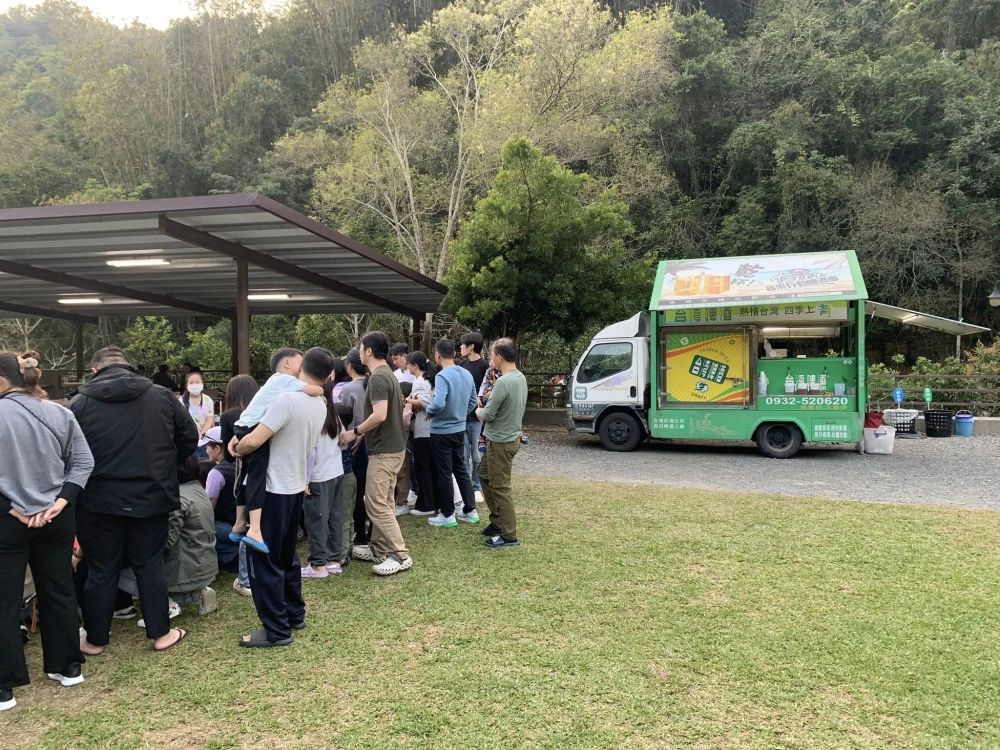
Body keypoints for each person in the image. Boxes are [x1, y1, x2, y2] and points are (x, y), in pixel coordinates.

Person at [70, 346, 195, 654]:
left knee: (101, 569)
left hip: (97, 500)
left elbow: (65, 453)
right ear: (131, 368)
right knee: (149, 564)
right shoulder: (161, 396)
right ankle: (161, 635)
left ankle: (95, 640)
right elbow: (189, 439)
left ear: (94, 371)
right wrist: (164, 463)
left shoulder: (78, 404)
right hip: (151, 496)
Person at [0, 352, 94, 712]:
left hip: (7, 521)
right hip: (57, 516)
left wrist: (13, 511)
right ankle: (68, 666)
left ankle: (5, 686)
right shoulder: (59, 412)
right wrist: (62, 501)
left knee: (4, 600)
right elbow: (84, 461)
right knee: (58, 589)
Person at [231, 347, 334, 647]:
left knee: (265, 561)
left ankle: (276, 630)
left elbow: (254, 440)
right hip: (294, 488)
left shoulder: (286, 400)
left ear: (301, 368)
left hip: (271, 491)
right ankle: (294, 614)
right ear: (327, 376)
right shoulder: (320, 404)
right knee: (287, 557)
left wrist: (237, 446)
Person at [229, 349, 323, 555]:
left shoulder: (276, 382)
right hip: (250, 429)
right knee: (257, 475)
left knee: (246, 476)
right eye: (300, 362)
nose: (302, 366)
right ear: (287, 364)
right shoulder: (284, 379)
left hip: (244, 425)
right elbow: (314, 389)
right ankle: (254, 529)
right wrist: (322, 394)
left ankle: (238, 524)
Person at [339, 332, 412, 576]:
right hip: (391, 447)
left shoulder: (379, 377)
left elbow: (380, 415)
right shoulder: (385, 374)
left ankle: (400, 555)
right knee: (384, 501)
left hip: (385, 450)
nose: (359, 351)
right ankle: (379, 548)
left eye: (360, 347)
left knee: (376, 503)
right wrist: (362, 436)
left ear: (368, 351)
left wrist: (354, 432)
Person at [413, 339, 478, 528]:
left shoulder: (442, 376)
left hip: (441, 431)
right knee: (461, 469)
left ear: (437, 355)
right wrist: (460, 415)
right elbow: (473, 401)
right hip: (460, 428)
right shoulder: (465, 373)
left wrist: (431, 411)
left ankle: (447, 514)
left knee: (444, 472)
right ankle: (469, 510)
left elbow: (439, 402)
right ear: (455, 354)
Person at [476, 339, 529, 548]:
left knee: (501, 488)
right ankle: (497, 522)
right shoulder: (519, 378)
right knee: (484, 475)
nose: (490, 359)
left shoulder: (503, 382)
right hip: (505, 439)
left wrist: (477, 411)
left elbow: (488, 413)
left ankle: (509, 535)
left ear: (499, 357)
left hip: (501, 442)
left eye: (491, 355)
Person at [301, 379, 348, 579]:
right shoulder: (334, 416)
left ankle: (318, 564)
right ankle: (333, 560)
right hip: (336, 472)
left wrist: (305, 480)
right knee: (334, 517)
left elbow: (310, 454)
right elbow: (344, 442)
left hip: (318, 476)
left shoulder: (314, 417)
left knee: (316, 519)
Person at [216, 375, 258, 596]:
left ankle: (245, 578)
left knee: (245, 526)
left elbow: (229, 456)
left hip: (244, 474)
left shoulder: (229, 416)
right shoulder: (263, 412)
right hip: (266, 473)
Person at [339, 348, 370, 552]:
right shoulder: (372, 384)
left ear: (349, 365)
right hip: (370, 440)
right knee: (371, 491)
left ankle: (359, 533)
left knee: (356, 492)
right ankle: (370, 530)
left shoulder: (348, 389)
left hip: (352, 441)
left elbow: (342, 418)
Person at [405, 352, 438, 517]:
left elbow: (425, 402)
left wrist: (408, 401)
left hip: (423, 430)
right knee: (430, 467)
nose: (406, 366)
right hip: (433, 429)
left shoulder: (419, 382)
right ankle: (432, 501)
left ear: (415, 366)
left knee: (422, 468)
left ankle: (426, 504)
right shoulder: (431, 379)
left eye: (408, 364)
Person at [459, 333, 489, 502]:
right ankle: (466, 488)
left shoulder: (484, 365)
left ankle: (476, 487)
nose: (460, 347)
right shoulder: (461, 365)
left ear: (471, 346)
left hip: (477, 418)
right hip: (462, 417)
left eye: (463, 344)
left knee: (476, 455)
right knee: (463, 455)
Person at [181, 371, 214, 459]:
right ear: (186, 385)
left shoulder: (208, 400)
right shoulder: (181, 401)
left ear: (202, 384)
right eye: (191, 383)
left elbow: (209, 420)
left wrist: (201, 437)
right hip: (187, 442)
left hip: (203, 442)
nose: (194, 385)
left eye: (197, 382)